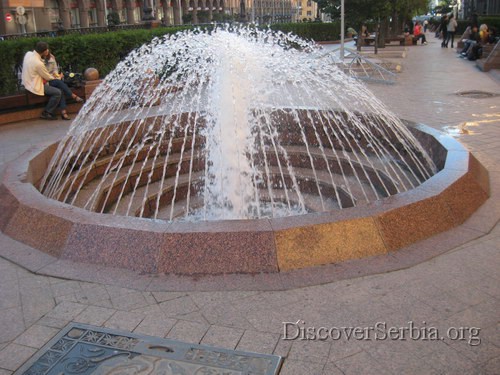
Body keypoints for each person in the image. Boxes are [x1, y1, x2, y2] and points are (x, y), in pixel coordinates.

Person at [21, 41, 61, 120]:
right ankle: (47, 112)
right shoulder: (38, 63)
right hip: (34, 85)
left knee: (58, 86)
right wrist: (59, 77)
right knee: (57, 92)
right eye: (47, 50)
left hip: (26, 82)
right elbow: (48, 77)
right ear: (45, 51)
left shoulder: (28, 54)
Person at [44, 53, 84, 120]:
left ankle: (63, 112)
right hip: (46, 81)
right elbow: (44, 74)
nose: (46, 52)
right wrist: (57, 77)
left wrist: (56, 75)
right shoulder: (39, 61)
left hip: (54, 79)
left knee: (60, 89)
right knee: (59, 82)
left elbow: (55, 69)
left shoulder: (51, 58)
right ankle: (73, 95)